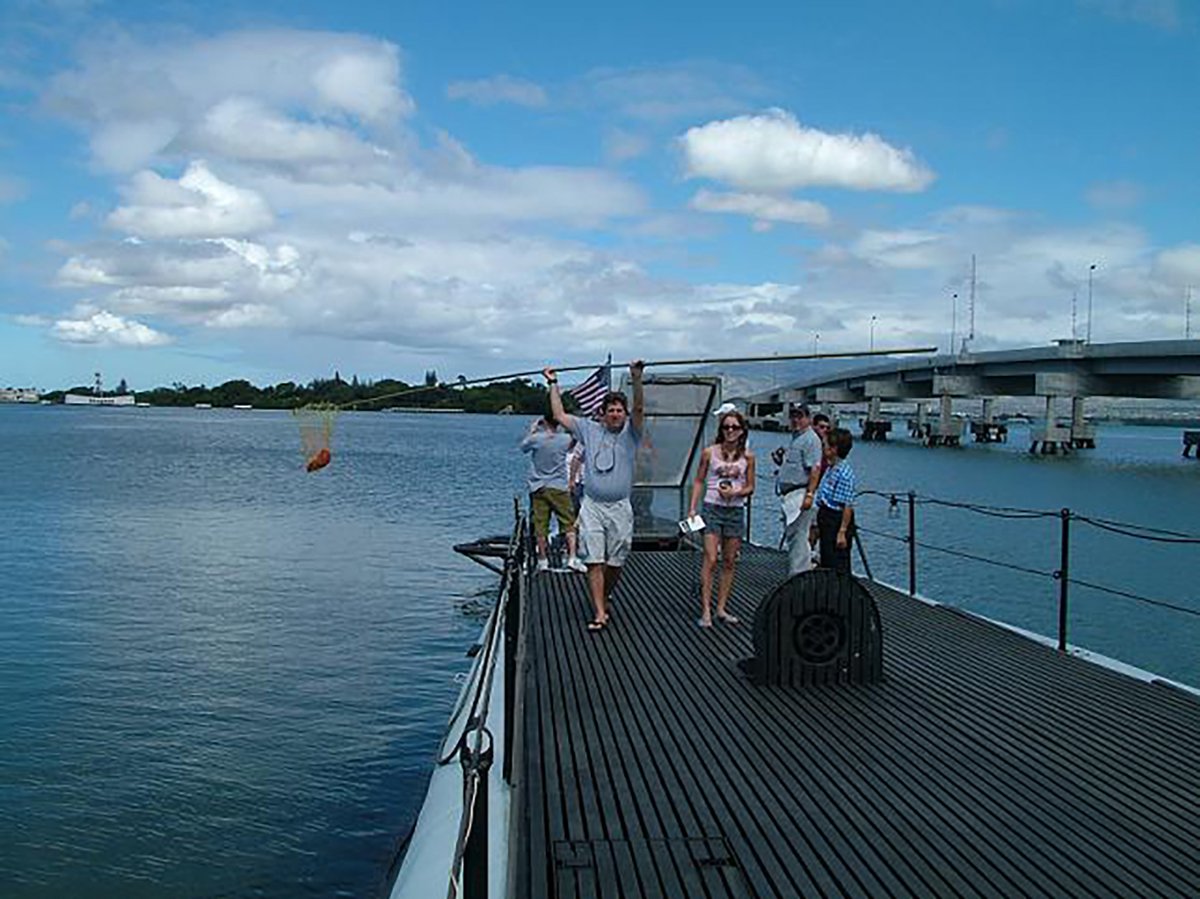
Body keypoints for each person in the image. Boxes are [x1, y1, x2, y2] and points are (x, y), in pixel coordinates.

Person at [545, 360, 645, 631]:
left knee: (616, 560)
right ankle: (599, 612)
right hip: (592, 506)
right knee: (594, 560)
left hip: (620, 507)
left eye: (619, 410)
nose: (615, 414)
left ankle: (605, 594)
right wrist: (552, 383)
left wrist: (636, 378)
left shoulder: (632, 433)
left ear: (624, 414)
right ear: (602, 413)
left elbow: (639, 408)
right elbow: (559, 414)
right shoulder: (589, 430)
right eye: (610, 410)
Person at [688, 410, 755, 627]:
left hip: (734, 510)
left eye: (734, 427)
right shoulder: (710, 452)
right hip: (713, 508)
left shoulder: (748, 456)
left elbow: (751, 487)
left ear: (741, 430)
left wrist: (735, 493)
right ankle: (706, 609)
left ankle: (721, 607)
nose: (730, 431)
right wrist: (692, 508)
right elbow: (699, 480)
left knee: (729, 560)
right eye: (726, 427)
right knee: (711, 558)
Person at [520, 413, 585, 573]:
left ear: (544, 422)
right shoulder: (564, 439)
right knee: (568, 523)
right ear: (558, 424)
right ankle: (572, 558)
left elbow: (523, 447)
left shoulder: (536, 439)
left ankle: (542, 560)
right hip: (559, 487)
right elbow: (577, 438)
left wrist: (533, 430)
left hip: (538, 486)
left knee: (541, 526)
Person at [771, 403, 823, 575]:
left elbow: (815, 468)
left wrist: (809, 494)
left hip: (799, 494)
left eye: (800, 416)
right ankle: (798, 572)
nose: (795, 420)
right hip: (789, 494)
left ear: (808, 418)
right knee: (793, 537)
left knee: (799, 537)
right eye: (793, 416)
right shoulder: (796, 438)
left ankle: (798, 574)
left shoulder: (810, 439)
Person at [814, 427, 857, 574]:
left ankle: (841, 591)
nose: (822, 448)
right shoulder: (831, 468)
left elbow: (847, 506)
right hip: (826, 515)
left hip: (836, 518)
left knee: (837, 561)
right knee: (826, 556)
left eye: (825, 445)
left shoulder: (844, 474)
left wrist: (842, 531)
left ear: (834, 449)